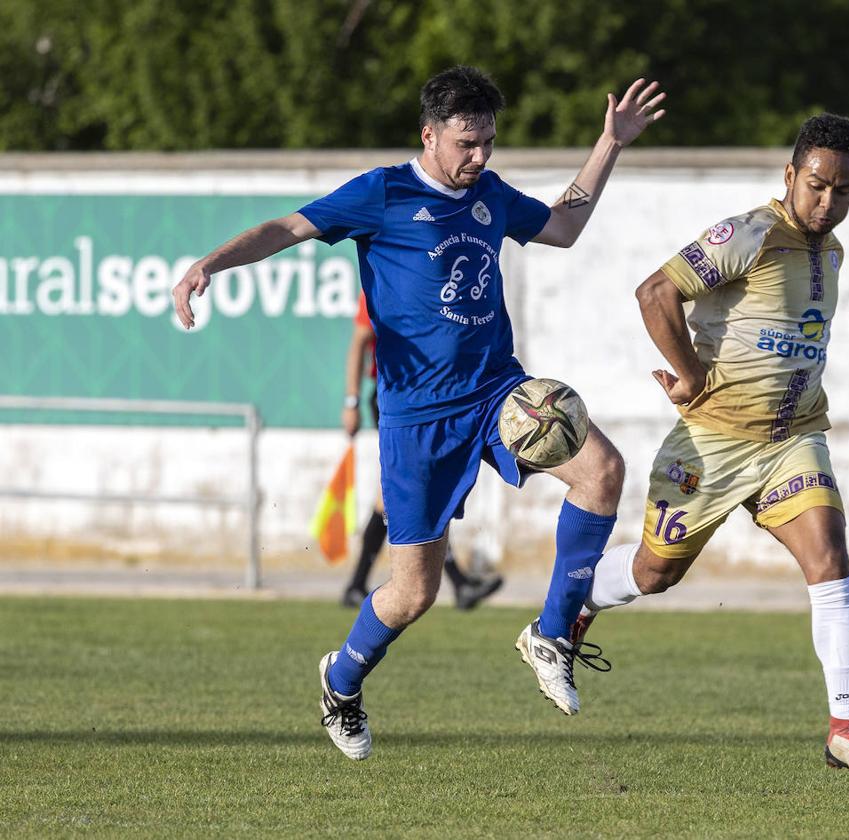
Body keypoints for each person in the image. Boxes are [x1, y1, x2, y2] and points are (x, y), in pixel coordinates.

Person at [172, 66, 665, 760]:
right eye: (467, 143)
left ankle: (551, 635)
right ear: (429, 135)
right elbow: (287, 226)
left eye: (488, 142)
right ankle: (341, 681)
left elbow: (563, 226)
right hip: (417, 421)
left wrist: (609, 143)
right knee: (413, 593)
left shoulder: (490, 195)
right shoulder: (382, 193)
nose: (480, 157)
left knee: (603, 471)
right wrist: (210, 265)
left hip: (498, 394)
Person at [571, 114, 849, 777]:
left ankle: (845, 726)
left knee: (830, 556)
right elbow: (656, 292)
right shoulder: (749, 233)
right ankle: (575, 600)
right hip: (712, 442)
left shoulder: (831, 253)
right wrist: (690, 374)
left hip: (792, 438)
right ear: (790, 177)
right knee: (657, 572)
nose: (828, 201)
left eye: (843, 190)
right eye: (817, 185)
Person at [340, 291, 503, 611]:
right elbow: (359, 340)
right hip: (397, 400)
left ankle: (357, 584)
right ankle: (458, 583)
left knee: (400, 495)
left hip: (429, 399)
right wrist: (351, 401)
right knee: (416, 492)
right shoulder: (385, 277)